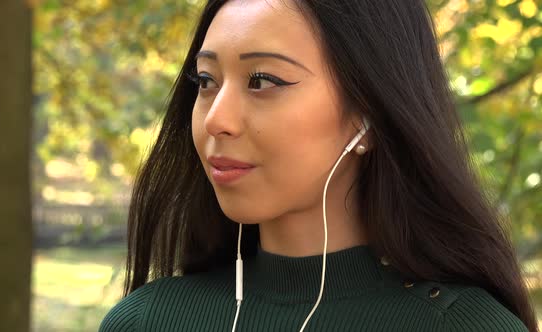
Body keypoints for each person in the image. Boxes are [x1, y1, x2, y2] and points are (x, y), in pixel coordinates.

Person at [98, 0, 538, 331]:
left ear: (369, 111)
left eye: (263, 80)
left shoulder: (466, 327)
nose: (216, 118)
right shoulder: (146, 321)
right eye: (207, 81)